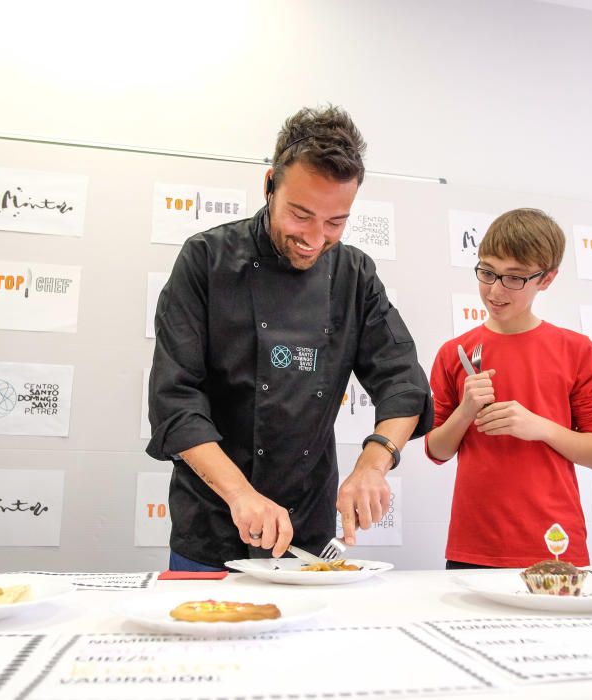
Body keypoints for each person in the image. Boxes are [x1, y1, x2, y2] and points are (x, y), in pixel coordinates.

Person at [147, 105, 433, 571]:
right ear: (269, 186)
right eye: (301, 215)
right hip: (212, 523)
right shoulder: (206, 261)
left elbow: (403, 381)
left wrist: (374, 462)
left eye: (336, 222)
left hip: (309, 527)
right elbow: (175, 404)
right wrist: (241, 494)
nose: (315, 238)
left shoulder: (354, 275)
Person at [425, 208, 592, 569]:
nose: (495, 290)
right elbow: (436, 450)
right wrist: (466, 411)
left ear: (547, 279)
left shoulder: (576, 350)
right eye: (487, 272)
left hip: (553, 541)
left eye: (514, 278)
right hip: (474, 541)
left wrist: (539, 427)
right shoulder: (455, 353)